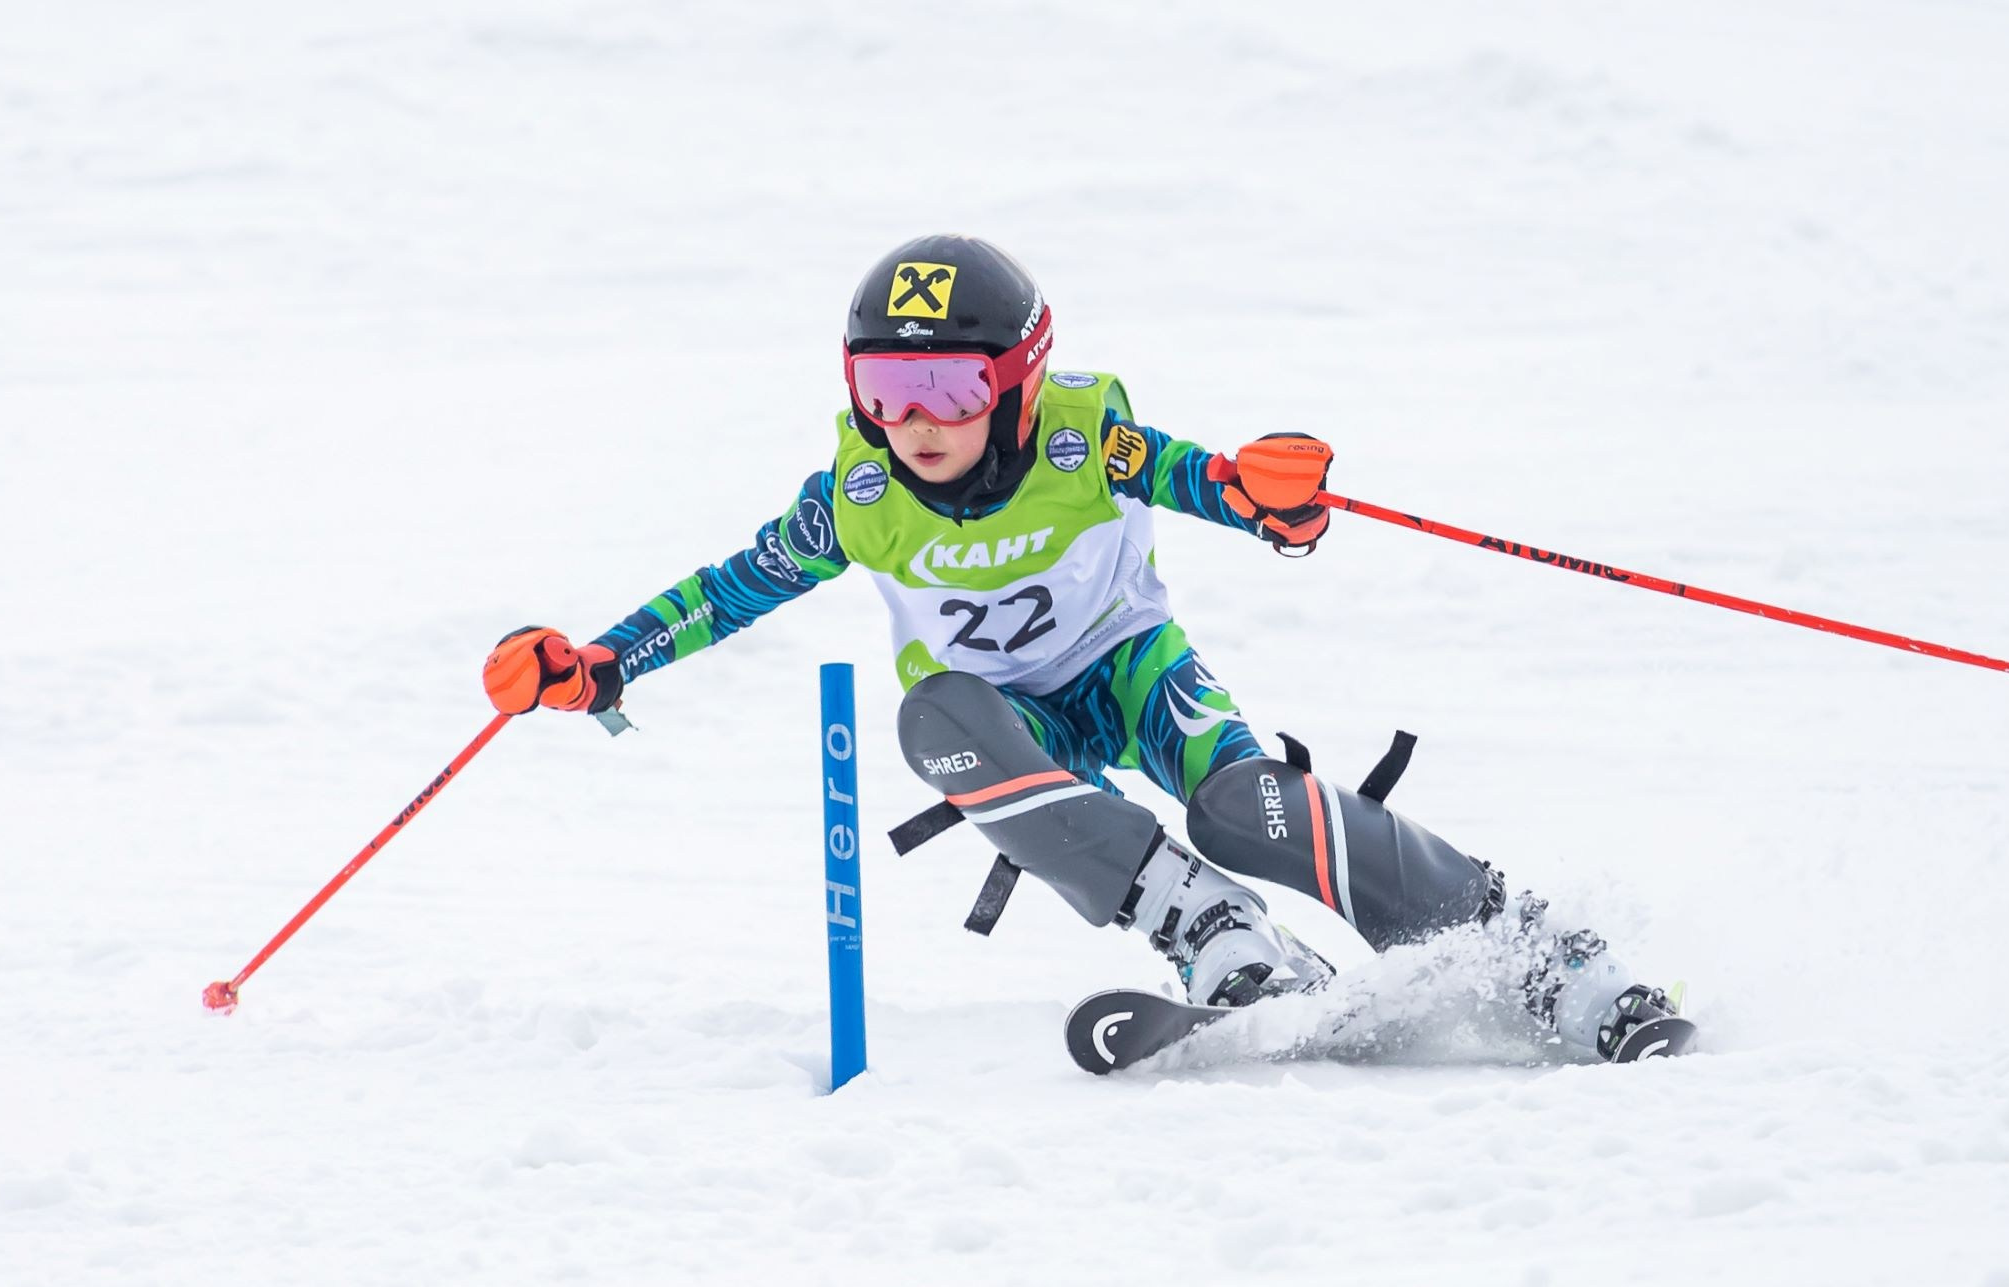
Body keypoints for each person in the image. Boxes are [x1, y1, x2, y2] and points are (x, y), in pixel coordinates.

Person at [482, 234, 1688, 1063]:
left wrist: (1275, 501)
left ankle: (1542, 959)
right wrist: (600, 665)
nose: (914, 422)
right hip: (1013, 722)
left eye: (950, 387)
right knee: (937, 715)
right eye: (884, 386)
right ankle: (1214, 936)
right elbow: (731, 587)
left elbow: (1200, 478)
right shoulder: (856, 492)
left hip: (1130, 676)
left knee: (1241, 806)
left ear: (1016, 381)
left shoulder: (1080, 438)